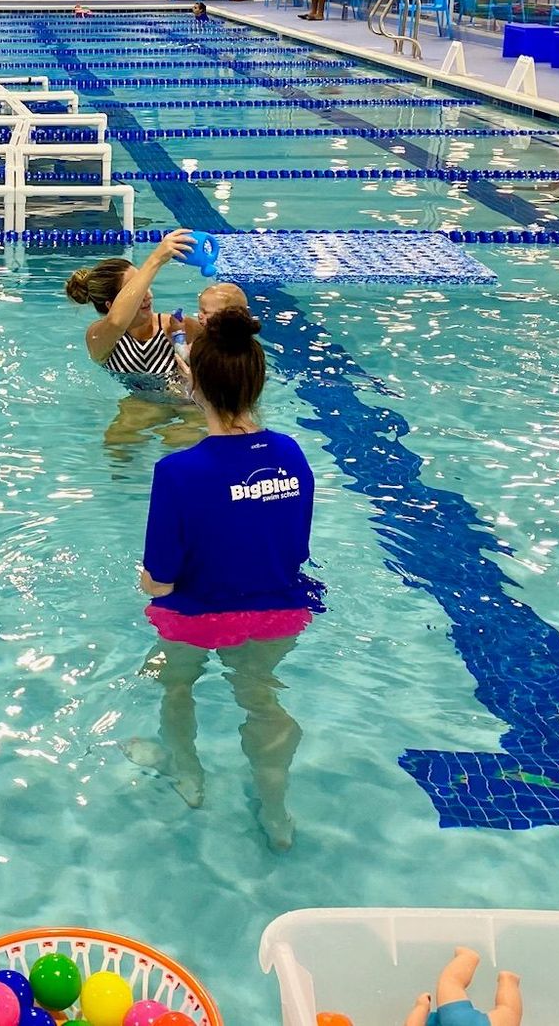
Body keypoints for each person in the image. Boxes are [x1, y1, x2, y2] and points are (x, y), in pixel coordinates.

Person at [126, 306, 323, 851]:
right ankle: (276, 809)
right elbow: (296, 549)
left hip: (195, 616)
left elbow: (160, 582)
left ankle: (186, 771)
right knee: (261, 701)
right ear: (258, 381)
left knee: (175, 685)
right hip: (280, 612)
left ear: (193, 385)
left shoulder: (177, 472)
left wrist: (144, 580)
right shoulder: (291, 452)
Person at [65, 230, 197, 396]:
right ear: (111, 304)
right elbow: (116, 322)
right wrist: (155, 260)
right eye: (137, 290)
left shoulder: (178, 327)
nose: (148, 294)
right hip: (142, 406)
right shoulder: (98, 338)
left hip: (191, 405)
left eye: (145, 285)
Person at [404, 948, 522, 1026]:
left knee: (509, 1013)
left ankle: (509, 980)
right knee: (450, 982)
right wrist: (422, 1006)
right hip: (457, 1021)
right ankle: (467, 958)